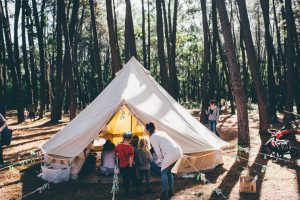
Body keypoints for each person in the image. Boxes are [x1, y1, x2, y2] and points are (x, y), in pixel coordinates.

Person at [146, 122, 183, 199]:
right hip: (178, 151)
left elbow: (158, 152)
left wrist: (157, 161)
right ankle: (171, 191)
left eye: (145, 130)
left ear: (149, 130)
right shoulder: (161, 132)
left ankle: (165, 193)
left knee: (163, 172)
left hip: (170, 153)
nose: (145, 131)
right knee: (168, 171)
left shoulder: (152, 137)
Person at [115, 131, 139, 197]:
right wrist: (131, 166)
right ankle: (136, 190)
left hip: (122, 166)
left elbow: (116, 154)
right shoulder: (131, 148)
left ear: (123, 138)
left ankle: (126, 193)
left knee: (125, 179)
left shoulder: (118, 146)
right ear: (131, 139)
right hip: (129, 165)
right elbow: (131, 158)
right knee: (134, 178)